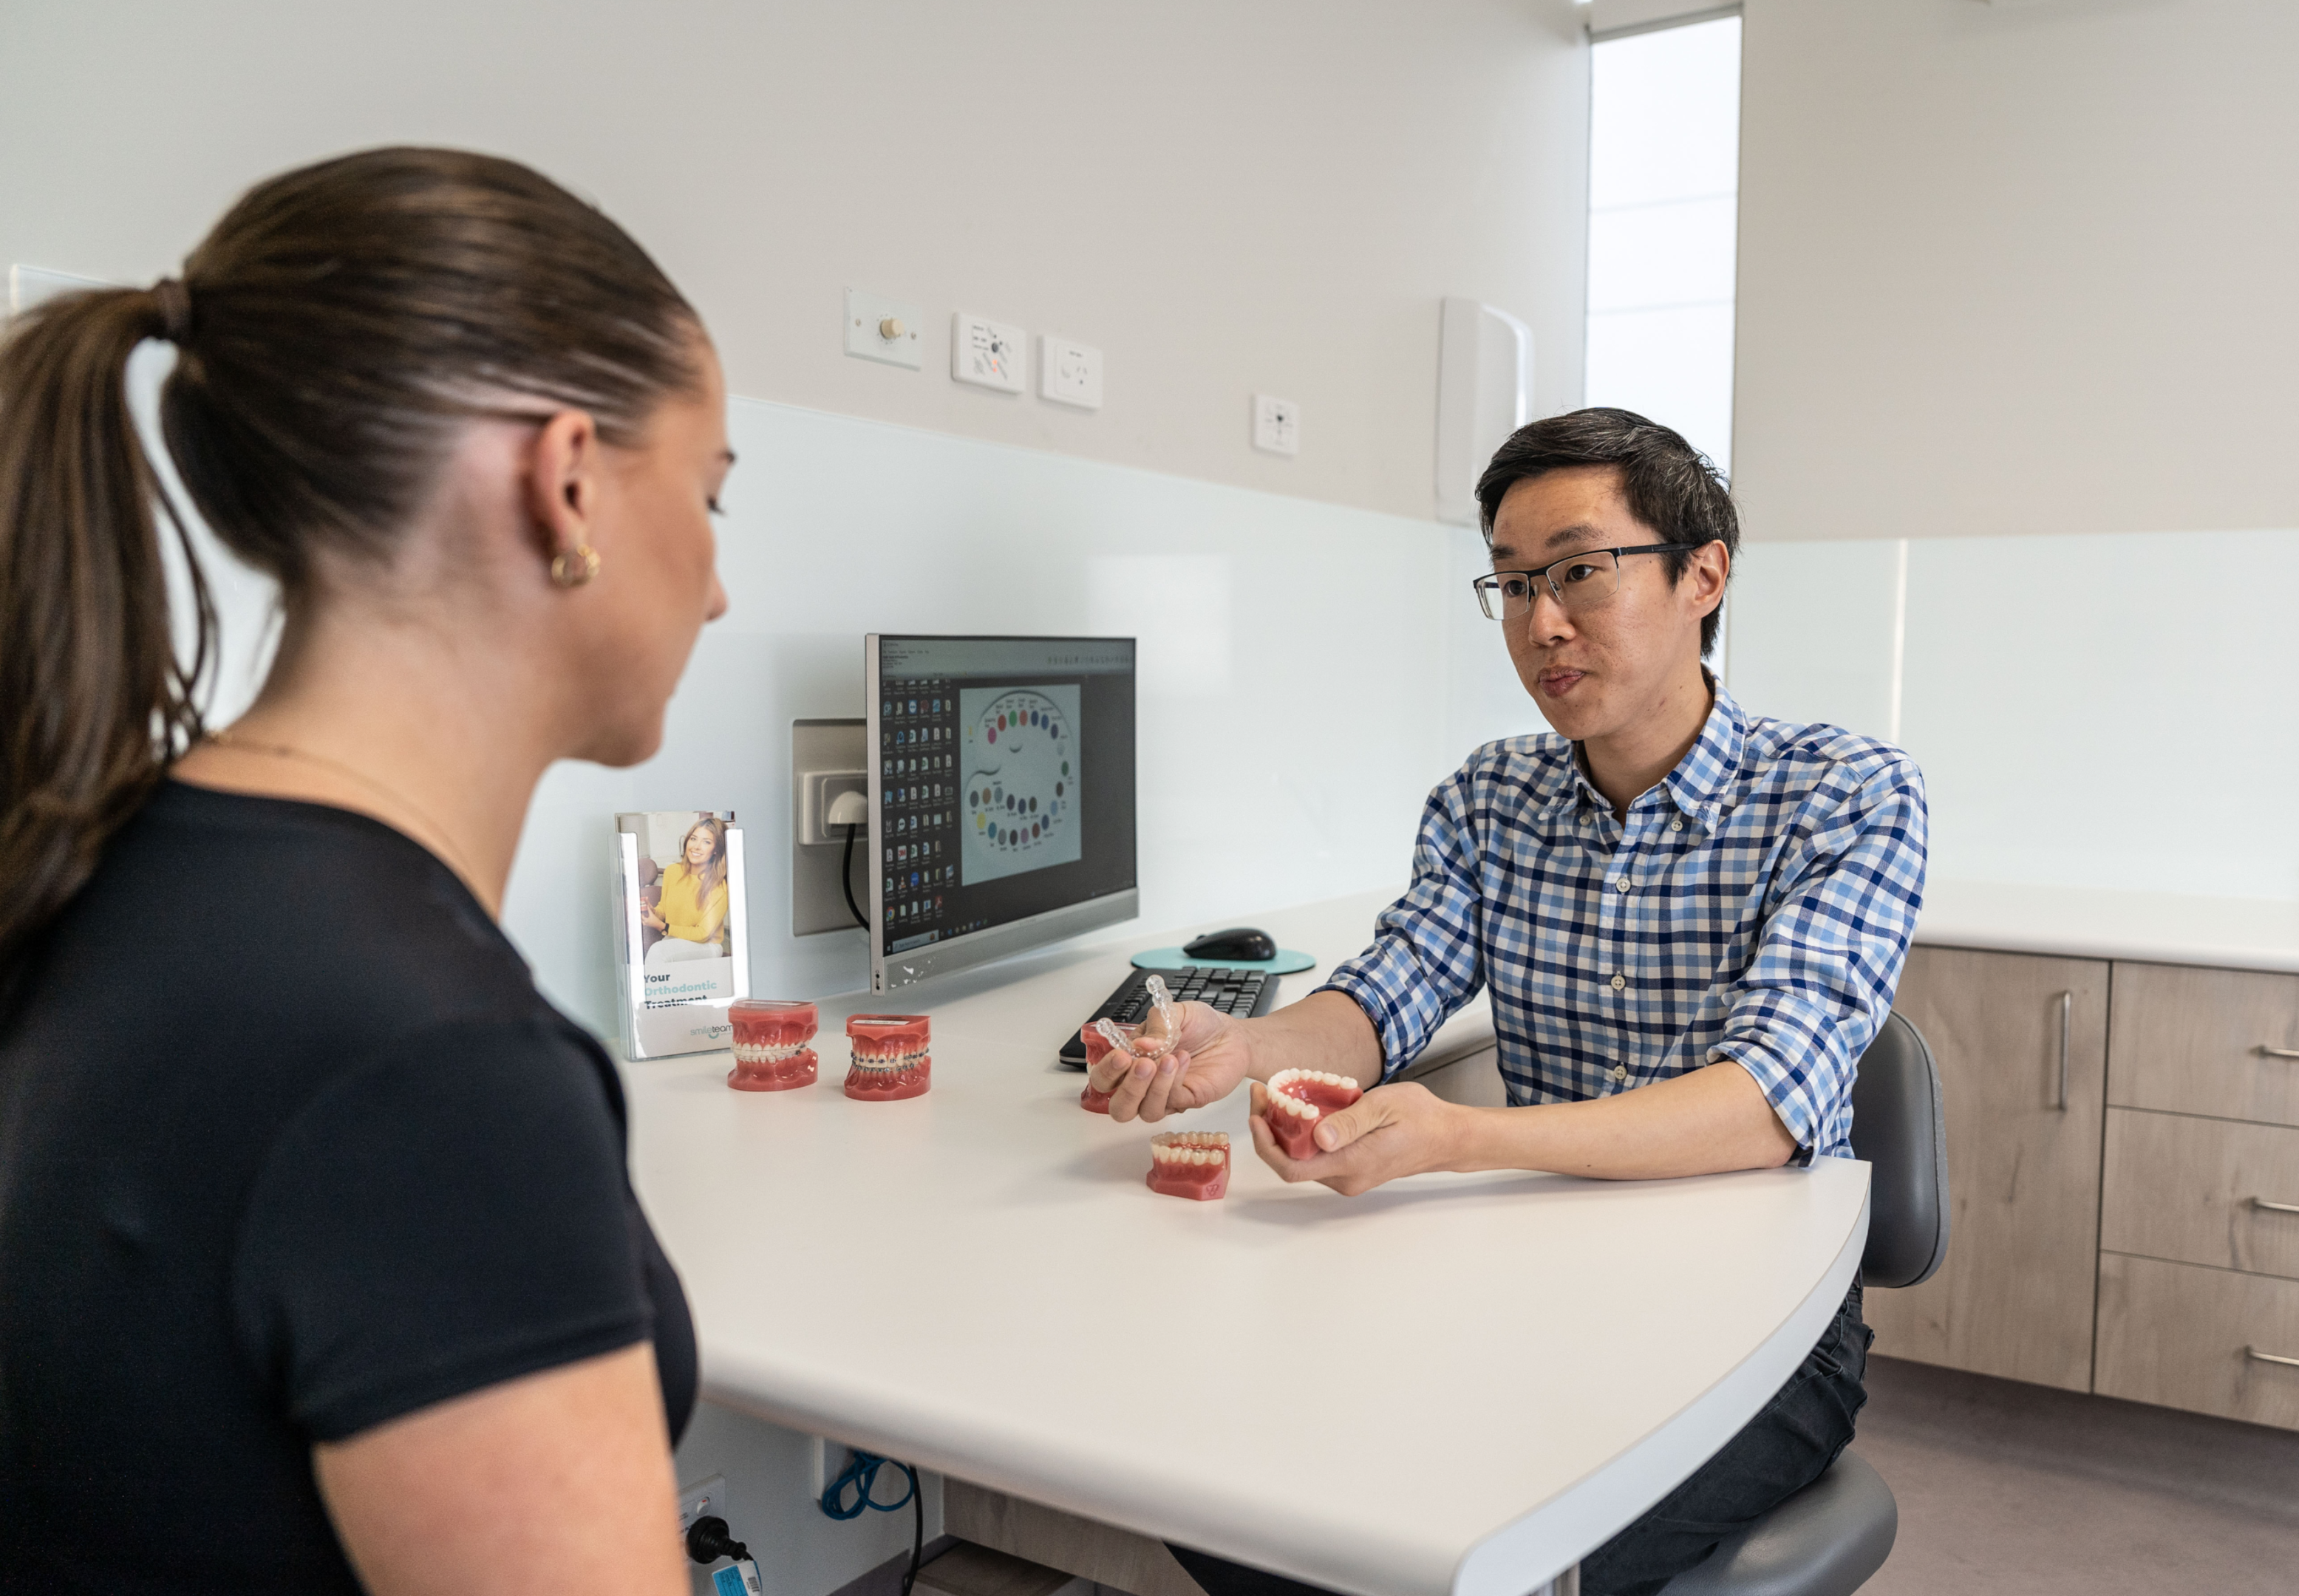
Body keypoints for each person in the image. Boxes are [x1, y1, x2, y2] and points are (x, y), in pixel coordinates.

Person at [0, 148, 734, 1594]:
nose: (718, 581)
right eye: (714, 493)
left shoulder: (99, 862)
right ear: (568, 481)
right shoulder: (437, 1076)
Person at [1089, 409, 1927, 1596]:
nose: (1541, 624)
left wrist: (1459, 1139)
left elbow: (1764, 1106)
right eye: (1512, 584)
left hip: (1749, 1326)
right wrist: (1248, 1046)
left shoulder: (1843, 795)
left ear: (1702, 575)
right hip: (1524, 1281)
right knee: (1241, 1502)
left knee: (1482, 1559)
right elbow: (1387, 994)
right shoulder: (1487, 797)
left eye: (1580, 572)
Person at [644, 814, 732, 963]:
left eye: (706, 842)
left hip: (706, 945)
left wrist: (662, 926)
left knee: (659, 952)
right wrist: (653, 913)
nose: (696, 846)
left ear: (716, 850)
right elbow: (664, 910)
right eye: (693, 838)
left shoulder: (719, 886)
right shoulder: (673, 871)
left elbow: (703, 933)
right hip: (674, 938)